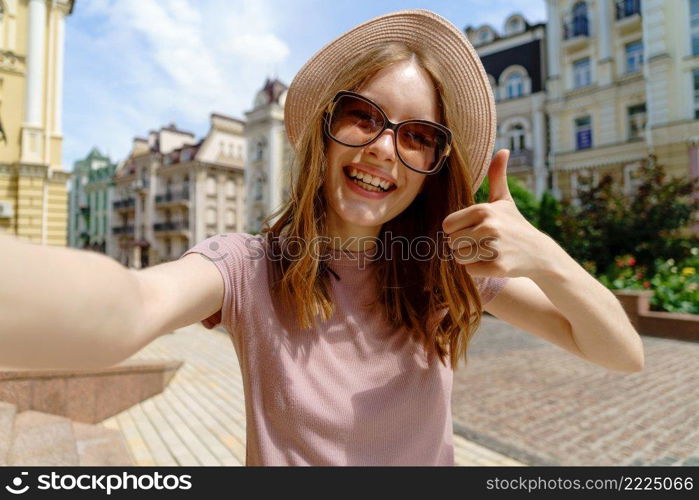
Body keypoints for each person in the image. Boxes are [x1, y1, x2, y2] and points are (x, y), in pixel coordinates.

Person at [0, 9, 644, 466]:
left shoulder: (443, 270)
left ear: (433, 168)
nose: (385, 148)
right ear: (324, 130)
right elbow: (127, 310)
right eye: (363, 116)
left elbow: (620, 353)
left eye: (418, 134)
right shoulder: (247, 266)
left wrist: (549, 259)